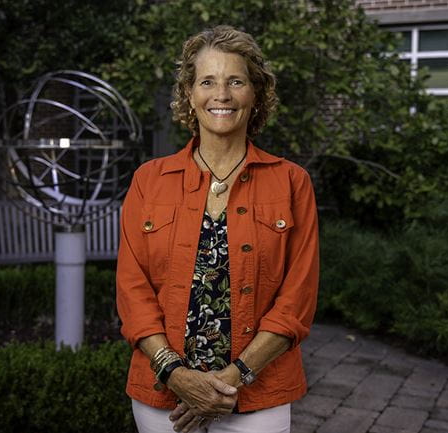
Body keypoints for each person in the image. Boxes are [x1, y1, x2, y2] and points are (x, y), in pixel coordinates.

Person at [116, 25, 319, 433]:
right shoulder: (149, 180)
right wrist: (174, 373)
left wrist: (231, 380)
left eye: (236, 81)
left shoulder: (291, 182)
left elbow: (297, 299)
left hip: (258, 396)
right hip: (162, 396)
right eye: (207, 81)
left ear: (256, 94)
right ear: (189, 95)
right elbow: (132, 288)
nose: (221, 95)